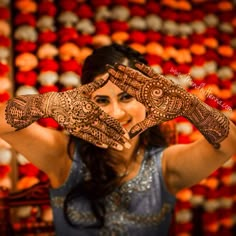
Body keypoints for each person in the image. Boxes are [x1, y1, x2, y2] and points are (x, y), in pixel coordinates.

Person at [0, 43, 235, 236]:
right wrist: (47, 103)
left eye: (126, 97)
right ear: (84, 102)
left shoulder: (167, 165)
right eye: (101, 100)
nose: (115, 113)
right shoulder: (63, 155)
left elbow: (229, 143)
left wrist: (189, 105)